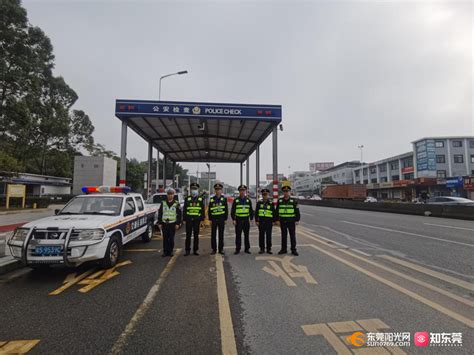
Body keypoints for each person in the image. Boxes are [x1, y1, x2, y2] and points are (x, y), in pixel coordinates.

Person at [276, 183, 301, 256]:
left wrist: (297, 220)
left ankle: (293, 250)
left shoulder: (294, 201)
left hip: (291, 221)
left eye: (287, 191)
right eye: (284, 191)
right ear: (283, 192)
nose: (286, 193)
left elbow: (297, 211)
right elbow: (277, 211)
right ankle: (283, 249)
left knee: (292, 236)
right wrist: (277, 220)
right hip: (282, 221)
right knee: (283, 236)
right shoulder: (280, 201)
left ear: (289, 192)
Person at [158, 188, 182, 257]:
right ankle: (165, 252)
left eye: (171, 194)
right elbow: (160, 213)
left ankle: (170, 251)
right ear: (167, 195)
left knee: (171, 238)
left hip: (172, 223)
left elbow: (179, 214)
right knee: (165, 238)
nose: (170, 195)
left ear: (173, 195)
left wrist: (178, 223)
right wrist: (159, 223)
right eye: (169, 194)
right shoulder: (163, 203)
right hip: (164, 223)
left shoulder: (176, 203)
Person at [231, 185, 254, 254]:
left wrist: (251, 218)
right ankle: (237, 249)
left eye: (243, 190)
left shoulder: (248, 200)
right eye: (241, 190)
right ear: (239, 191)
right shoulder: (236, 200)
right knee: (238, 235)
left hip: (246, 220)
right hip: (238, 220)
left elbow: (251, 210)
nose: (242, 192)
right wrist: (234, 219)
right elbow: (233, 211)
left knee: (246, 235)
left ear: (245, 191)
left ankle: (247, 249)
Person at [183, 182, 205, 256]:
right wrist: (184, 219)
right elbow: (185, 210)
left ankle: (195, 250)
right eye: (193, 189)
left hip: (197, 220)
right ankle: (187, 250)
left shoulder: (200, 199)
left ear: (198, 190)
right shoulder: (187, 199)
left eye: (195, 189)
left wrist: (202, 219)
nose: (194, 190)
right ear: (190, 189)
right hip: (189, 220)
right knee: (188, 236)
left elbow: (202, 210)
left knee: (196, 236)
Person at [209, 183, 229, 255]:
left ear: (221, 190)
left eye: (219, 189)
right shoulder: (212, 199)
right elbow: (210, 210)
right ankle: (214, 249)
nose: (218, 191)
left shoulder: (224, 199)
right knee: (213, 235)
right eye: (217, 189)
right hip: (214, 219)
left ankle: (221, 249)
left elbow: (226, 210)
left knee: (221, 235)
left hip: (221, 219)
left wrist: (225, 219)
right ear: (215, 190)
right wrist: (210, 219)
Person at [255, 188, 276, 254]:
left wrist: (273, 221)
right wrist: (256, 220)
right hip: (261, 222)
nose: (265, 196)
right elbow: (256, 212)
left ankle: (269, 249)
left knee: (269, 236)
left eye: (266, 194)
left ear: (268, 195)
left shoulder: (271, 203)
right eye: (263, 194)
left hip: (269, 222)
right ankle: (262, 249)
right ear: (262, 195)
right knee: (261, 235)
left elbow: (274, 213)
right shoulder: (259, 203)